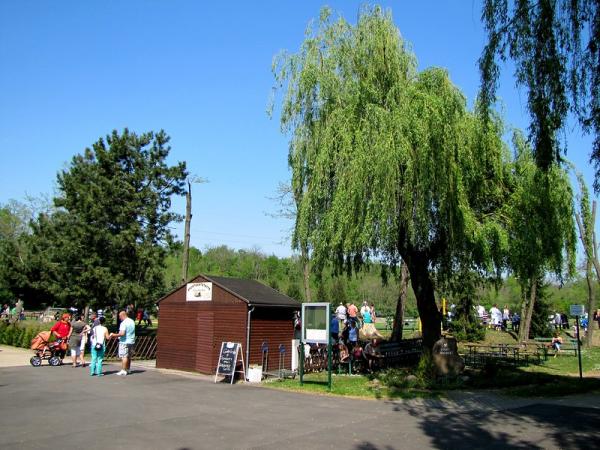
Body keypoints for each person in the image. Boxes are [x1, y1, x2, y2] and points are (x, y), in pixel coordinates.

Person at [109, 310, 136, 376]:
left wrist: (113, 335)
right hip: (131, 340)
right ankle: (128, 369)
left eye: (119, 316)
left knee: (124, 356)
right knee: (129, 356)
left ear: (122, 315)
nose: (119, 318)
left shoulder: (123, 323)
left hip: (124, 341)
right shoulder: (132, 321)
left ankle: (123, 370)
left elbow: (122, 333)